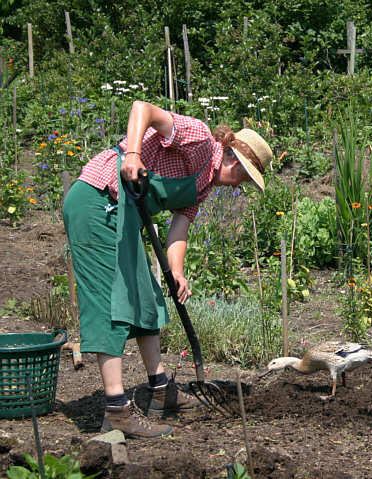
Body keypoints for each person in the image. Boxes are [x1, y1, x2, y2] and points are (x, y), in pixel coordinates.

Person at [63, 100, 272, 438]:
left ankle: (161, 391)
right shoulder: (199, 139)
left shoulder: (203, 186)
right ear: (234, 161)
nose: (238, 187)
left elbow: (179, 229)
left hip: (124, 216)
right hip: (98, 203)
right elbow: (141, 109)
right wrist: (133, 155)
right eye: (243, 178)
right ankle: (117, 411)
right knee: (110, 303)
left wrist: (177, 271)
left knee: (147, 298)